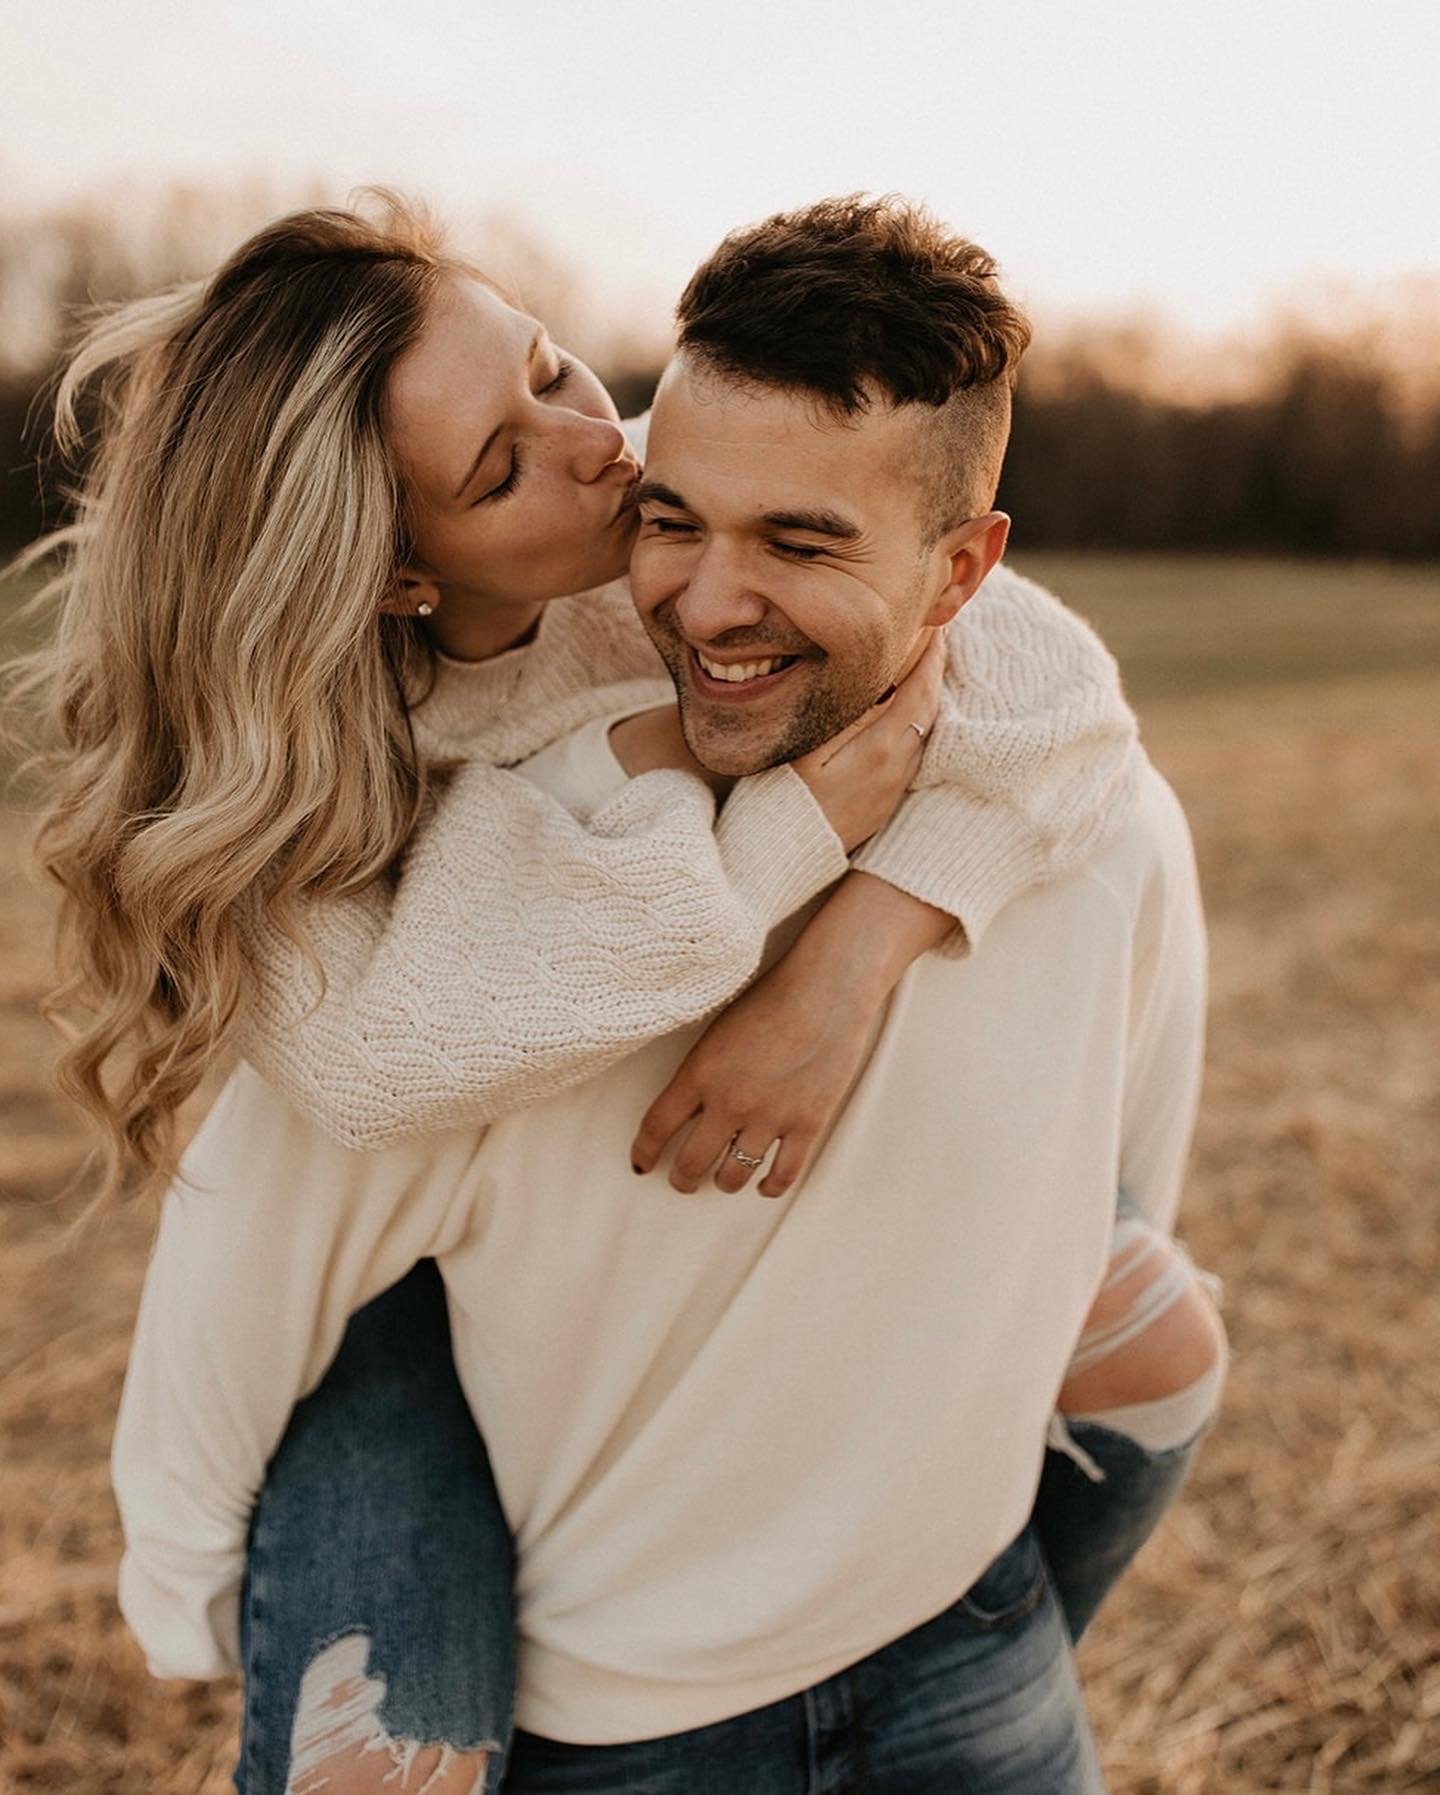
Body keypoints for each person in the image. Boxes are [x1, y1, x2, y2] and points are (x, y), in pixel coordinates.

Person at [13, 194, 1221, 1791]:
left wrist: (858, 950)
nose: (598, 449)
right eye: (498, 467)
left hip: (876, 1531)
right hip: (432, 1318)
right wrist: (784, 832)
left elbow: (1048, 669)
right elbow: (369, 1074)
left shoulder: (662, 495)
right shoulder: (346, 807)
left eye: (551, 368)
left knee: (1154, 1342)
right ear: (396, 572)